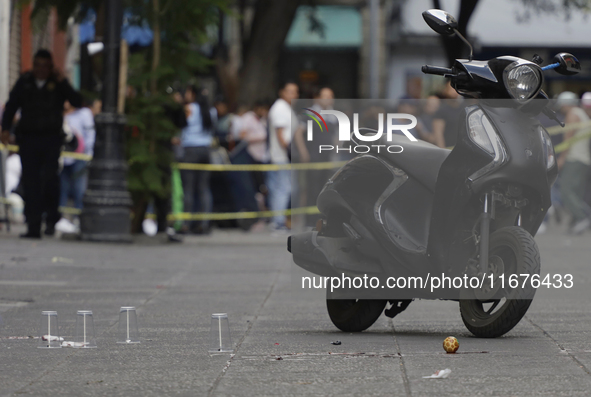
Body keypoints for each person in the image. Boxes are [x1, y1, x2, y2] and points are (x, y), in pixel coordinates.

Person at [1, 49, 82, 238]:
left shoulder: (57, 83)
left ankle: (51, 219)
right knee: (30, 183)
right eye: (37, 65)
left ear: (50, 67)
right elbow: (12, 105)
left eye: (45, 66)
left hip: (51, 140)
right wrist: (5, 128)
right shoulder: (25, 82)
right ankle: (33, 225)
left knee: (50, 180)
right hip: (28, 139)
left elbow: (76, 101)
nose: (40, 70)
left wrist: (63, 81)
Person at [56, 99, 99, 233]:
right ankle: (61, 218)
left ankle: (79, 219)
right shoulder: (60, 114)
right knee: (62, 188)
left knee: (79, 190)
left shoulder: (83, 113)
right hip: (63, 157)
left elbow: (90, 135)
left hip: (80, 157)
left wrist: (88, 155)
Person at [179, 85, 213, 234]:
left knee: (188, 188)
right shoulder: (211, 111)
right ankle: (204, 223)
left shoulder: (189, 108)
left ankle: (186, 223)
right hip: (206, 150)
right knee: (204, 188)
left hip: (190, 149)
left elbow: (181, 127)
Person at [267, 81, 299, 231]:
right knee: (283, 189)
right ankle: (278, 222)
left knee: (278, 188)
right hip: (280, 156)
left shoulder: (286, 108)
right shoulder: (280, 108)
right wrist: (290, 152)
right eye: (290, 91)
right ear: (282, 92)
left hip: (281, 156)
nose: (294, 95)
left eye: (295, 92)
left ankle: (277, 219)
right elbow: (281, 134)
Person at [559, 91, 591, 234]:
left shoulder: (572, 115)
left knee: (566, 190)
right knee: (576, 193)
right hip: (584, 159)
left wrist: (561, 158)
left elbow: (568, 139)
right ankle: (577, 222)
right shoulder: (583, 114)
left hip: (574, 158)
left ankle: (582, 217)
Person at [432, 81, 463, 148]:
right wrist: (443, 151)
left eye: (456, 88)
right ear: (445, 90)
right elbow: (438, 134)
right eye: (451, 88)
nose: (454, 91)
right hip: (448, 148)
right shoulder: (441, 110)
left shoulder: (464, 108)